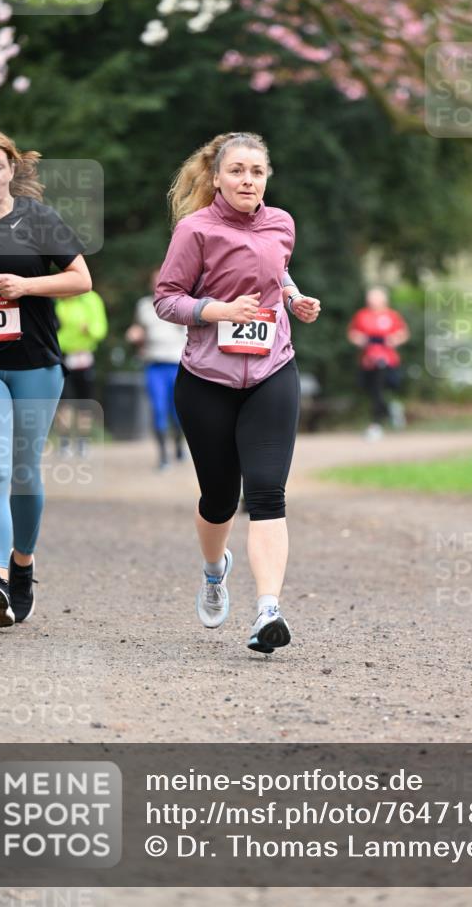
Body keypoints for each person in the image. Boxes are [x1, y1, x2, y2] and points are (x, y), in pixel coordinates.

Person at [154, 132, 320, 653]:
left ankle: (268, 611)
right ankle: (213, 570)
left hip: (273, 370)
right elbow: (166, 299)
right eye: (238, 171)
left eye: (257, 172)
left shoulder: (282, 222)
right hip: (207, 380)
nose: (248, 180)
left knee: (268, 492)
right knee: (221, 499)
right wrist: (216, 311)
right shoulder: (195, 230)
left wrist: (293, 299)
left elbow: (278, 270)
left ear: (267, 178)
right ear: (218, 177)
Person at [0, 128, 91, 628]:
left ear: (12, 169)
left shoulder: (38, 219)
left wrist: (28, 285)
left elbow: (81, 278)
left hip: (35, 363)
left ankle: (22, 563)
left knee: (24, 469)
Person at [126, 269, 188, 469]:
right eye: (155, 281)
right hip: (154, 365)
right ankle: (163, 456)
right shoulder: (144, 305)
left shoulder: (183, 302)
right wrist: (135, 335)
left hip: (177, 364)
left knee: (177, 412)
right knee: (158, 409)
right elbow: (138, 330)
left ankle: (179, 446)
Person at [347, 286, 410, 440]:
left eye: (375, 297)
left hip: (386, 359)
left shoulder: (392, 316)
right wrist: (359, 339)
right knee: (368, 388)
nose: (372, 300)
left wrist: (394, 339)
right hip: (367, 359)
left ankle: (376, 425)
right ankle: (390, 410)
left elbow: (403, 333)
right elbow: (353, 333)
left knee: (378, 390)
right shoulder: (362, 315)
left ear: (383, 299)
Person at [55, 289, 108, 457]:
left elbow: (100, 328)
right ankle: (64, 442)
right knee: (64, 402)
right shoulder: (58, 301)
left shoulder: (92, 299)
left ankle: (82, 441)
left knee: (84, 401)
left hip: (84, 355)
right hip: (62, 356)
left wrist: (90, 329)